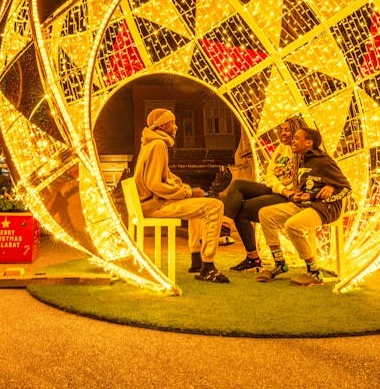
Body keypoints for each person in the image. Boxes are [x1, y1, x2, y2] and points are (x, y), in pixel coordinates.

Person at [132, 108, 230, 283]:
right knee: (215, 206)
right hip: (155, 206)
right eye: (172, 122)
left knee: (197, 203)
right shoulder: (158, 145)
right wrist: (188, 192)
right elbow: (154, 184)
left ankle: (196, 259)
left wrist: (187, 191)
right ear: (162, 125)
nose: (176, 127)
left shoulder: (150, 144)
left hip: (147, 204)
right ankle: (208, 266)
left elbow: (167, 177)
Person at [256, 126, 351, 287]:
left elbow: (347, 187)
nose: (293, 140)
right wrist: (299, 193)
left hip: (324, 208)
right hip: (304, 204)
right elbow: (310, 184)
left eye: (297, 138)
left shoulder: (324, 161)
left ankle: (314, 272)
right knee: (265, 214)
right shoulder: (302, 160)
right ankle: (279, 264)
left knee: (292, 225)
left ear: (309, 142)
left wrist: (332, 188)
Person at [222, 118, 303, 273]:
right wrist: (280, 188)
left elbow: (299, 179)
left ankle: (253, 259)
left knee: (241, 209)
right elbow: (270, 176)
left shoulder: (301, 152)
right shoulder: (280, 148)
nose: (283, 133)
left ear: (297, 132)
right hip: (277, 190)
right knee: (238, 184)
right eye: (282, 129)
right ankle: (225, 229)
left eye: (287, 130)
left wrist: (286, 191)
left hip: (288, 197)